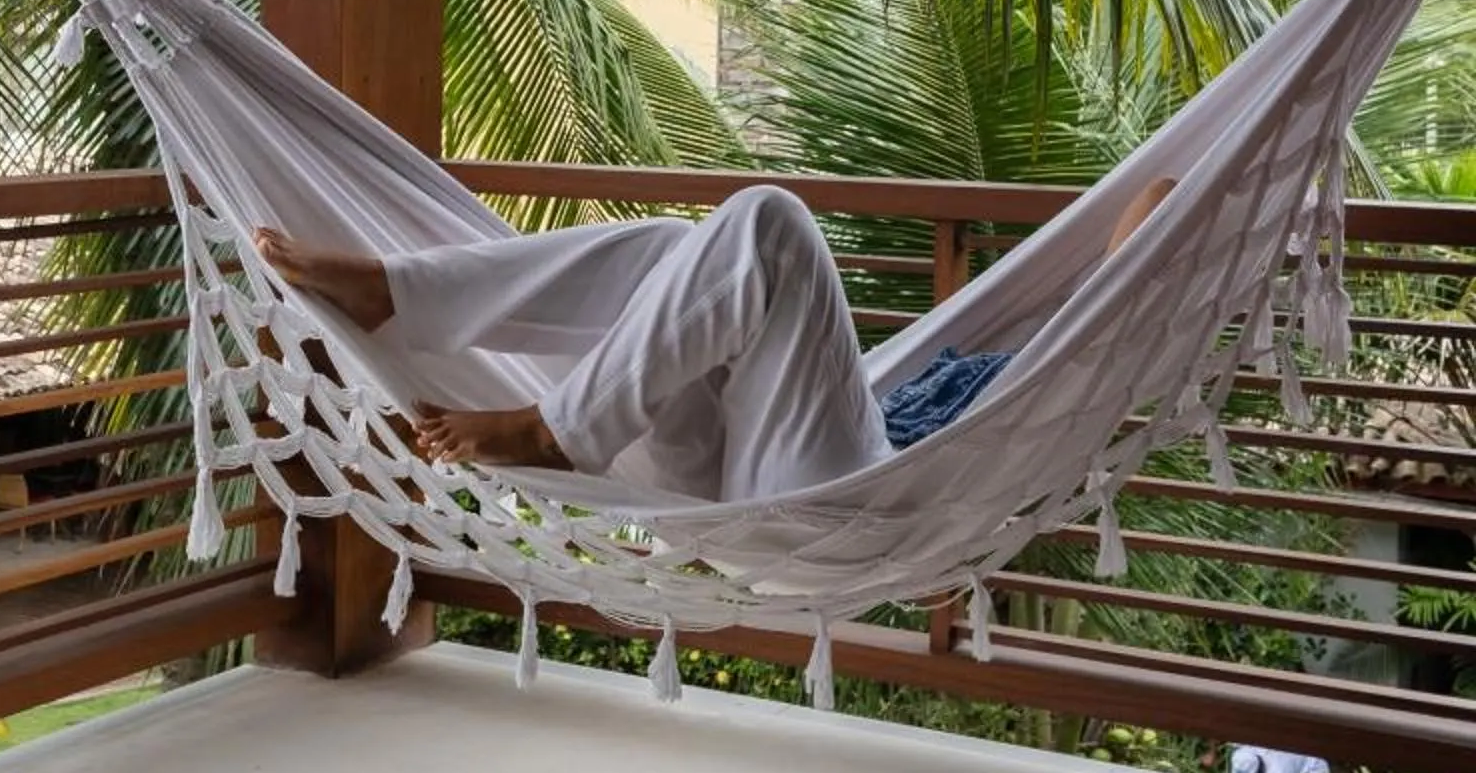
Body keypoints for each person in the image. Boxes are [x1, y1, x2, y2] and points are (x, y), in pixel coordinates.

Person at [254, 171, 1175, 507]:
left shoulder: (1081, 361)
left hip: (850, 498)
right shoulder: (1043, 345)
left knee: (769, 222)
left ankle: (552, 428)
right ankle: (400, 294)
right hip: (744, 472)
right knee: (671, 250)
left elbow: (1165, 204)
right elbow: (1157, 199)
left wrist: (1221, 185)